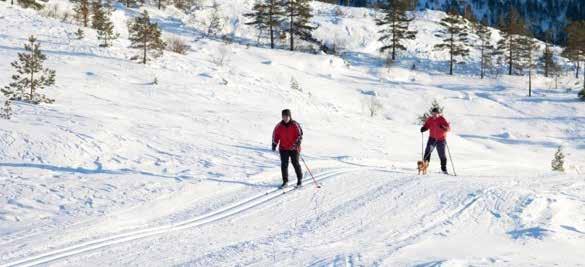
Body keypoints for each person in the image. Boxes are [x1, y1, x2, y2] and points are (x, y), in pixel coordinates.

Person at [272, 109, 303, 187]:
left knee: (295, 163)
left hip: (294, 148)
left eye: (286, 116)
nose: (285, 118)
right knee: (284, 164)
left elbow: (300, 135)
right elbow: (275, 135)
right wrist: (274, 144)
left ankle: (299, 180)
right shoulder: (279, 126)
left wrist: (297, 144)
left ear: (290, 116)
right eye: (283, 116)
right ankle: (285, 181)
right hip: (283, 148)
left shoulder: (295, 124)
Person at [420, 108, 451, 174]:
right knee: (428, 151)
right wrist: (424, 128)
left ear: (438, 114)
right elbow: (427, 125)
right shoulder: (430, 119)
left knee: (442, 154)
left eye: (435, 114)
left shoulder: (442, 119)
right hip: (432, 139)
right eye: (433, 113)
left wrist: (443, 128)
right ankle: (424, 166)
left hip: (441, 140)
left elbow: (448, 128)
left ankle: (444, 169)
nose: (434, 115)